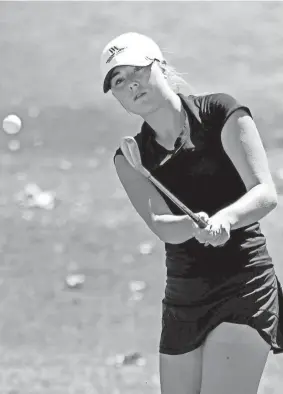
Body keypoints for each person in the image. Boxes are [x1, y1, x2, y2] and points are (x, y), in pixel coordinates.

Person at [100, 32, 283, 394]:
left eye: (138, 70)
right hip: (184, 295)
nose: (131, 84)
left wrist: (224, 220)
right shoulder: (131, 157)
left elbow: (264, 192)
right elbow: (162, 226)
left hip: (243, 283)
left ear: (161, 67)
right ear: (118, 98)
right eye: (118, 81)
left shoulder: (219, 113)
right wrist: (193, 223)